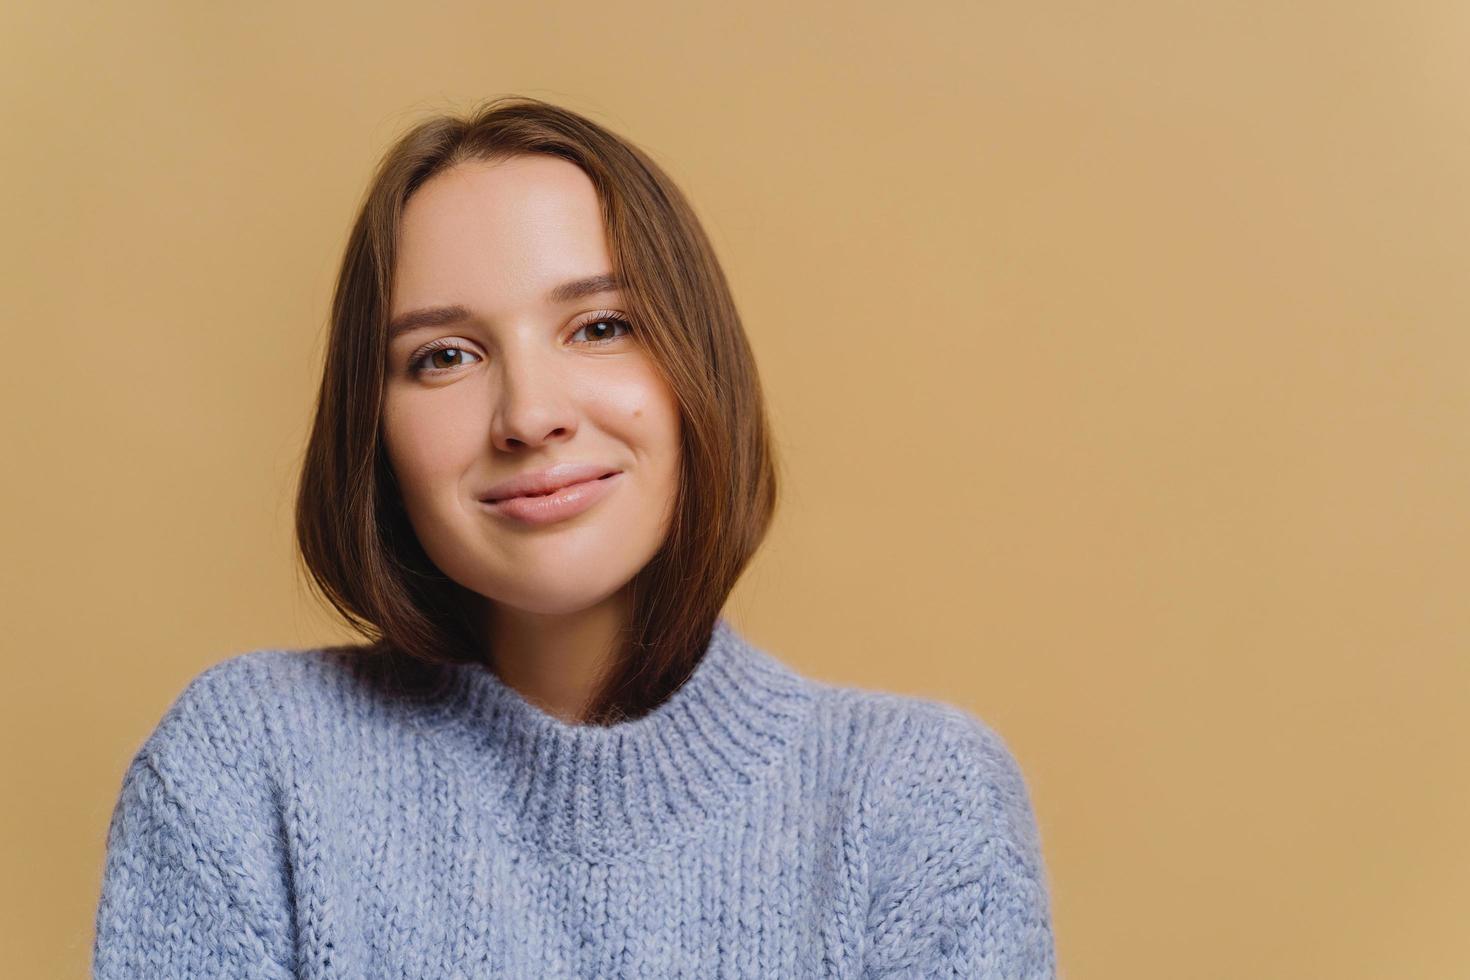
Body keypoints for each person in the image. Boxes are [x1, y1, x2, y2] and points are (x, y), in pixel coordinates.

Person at [91, 96, 1057, 978]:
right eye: (445, 356)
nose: (531, 413)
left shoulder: (912, 800)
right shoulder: (250, 772)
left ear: (695, 368)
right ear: (372, 429)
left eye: (598, 327)